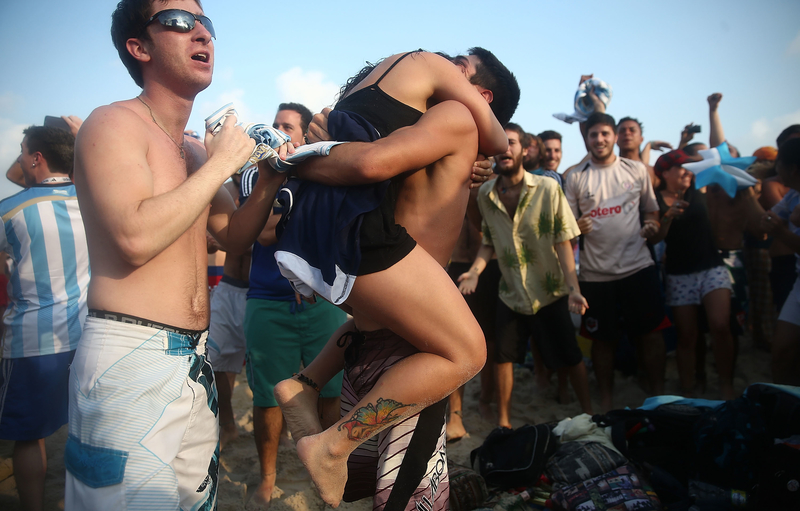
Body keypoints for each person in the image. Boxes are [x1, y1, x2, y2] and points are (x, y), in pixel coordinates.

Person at [65, 2, 289, 509]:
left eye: (205, 24)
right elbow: (134, 238)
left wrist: (270, 179)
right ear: (138, 47)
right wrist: (224, 163)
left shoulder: (191, 150)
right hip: (129, 358)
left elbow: (233, 236)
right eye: (179, 22)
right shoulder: (112, 124)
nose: (201, 33)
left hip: (193, 359)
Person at [273, 48, 519, 509]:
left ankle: (307, 382)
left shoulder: (430, 128)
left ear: (479, 96)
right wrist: (304, 156)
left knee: (370, 485)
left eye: (460, 68)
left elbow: (356, 142)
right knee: (409, 492)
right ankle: (330, 435)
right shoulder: (448, 120)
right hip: (411, 349)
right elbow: (370, 161)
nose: (449, 66)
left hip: (377, 330)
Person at [241, 102, 347, 509]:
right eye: (275, 125)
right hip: (269, 301)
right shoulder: (258, 174)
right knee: (268, 397)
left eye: (287, 127)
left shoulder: (326, 172)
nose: (278, 132)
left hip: (324, 301)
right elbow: (266, 234)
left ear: (304, 136)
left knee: (331, 391)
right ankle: (267, 477)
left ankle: (327, 467)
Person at [458, 123, 593, 426]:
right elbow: (489, 243)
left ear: (524, 150)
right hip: (512, 292)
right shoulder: (487, 195)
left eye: (512, 143)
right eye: (500, 145)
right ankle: (505, 422)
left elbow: (563, 241)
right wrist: (474, 273)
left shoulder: (547, 188)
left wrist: (573, 288)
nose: (505, 149)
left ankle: (590, 412)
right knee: (504, 357)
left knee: (570, 356)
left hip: (550, 289)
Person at [0, 126, 89, 511]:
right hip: (89, 333)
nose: (19, 158)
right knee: (86, 430)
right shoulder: (93, 198)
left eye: (23, 151)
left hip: (32, 340)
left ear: (37, 157)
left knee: (27, 435)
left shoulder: (9, 210)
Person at [563, 112, 667, 412]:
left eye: (605, 134)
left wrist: (651, 226)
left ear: (614, 136)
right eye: (593, 134)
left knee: (651, 334)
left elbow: (652, 212)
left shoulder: (636, 170)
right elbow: (566, 228)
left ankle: (657, 393)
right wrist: (575, 229)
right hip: (596, 275)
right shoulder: (576, 176)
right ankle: (606, 399)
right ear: (587, 138)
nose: (599, 140)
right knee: (602, 341)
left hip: (638, 267)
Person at [648, 150, 736, 398]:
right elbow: (655, 237)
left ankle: (726, 382)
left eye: (689, 167)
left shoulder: (700, 188)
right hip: (678, 273)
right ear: (665, 173)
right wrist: (667, 218)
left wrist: (713, 110)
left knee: (720, 325)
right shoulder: (655, 200)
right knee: (686, 336)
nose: (687, 171)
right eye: (680, 167)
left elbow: (717, 153)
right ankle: (688, 389)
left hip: (712, 266)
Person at [762, 137, 800, 385]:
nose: (776, 171)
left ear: (791, 169)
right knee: (782, 350)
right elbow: (766, 220)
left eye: (779, 165)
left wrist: (781, 233)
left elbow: (774, 228)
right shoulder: (793, 196)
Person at [615, 116, 672, 187]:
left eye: (632, 130)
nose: (627, 133)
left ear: (641, 139)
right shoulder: (608, 169)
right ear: (615, 139)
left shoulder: (651, 172)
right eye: (622, 131)